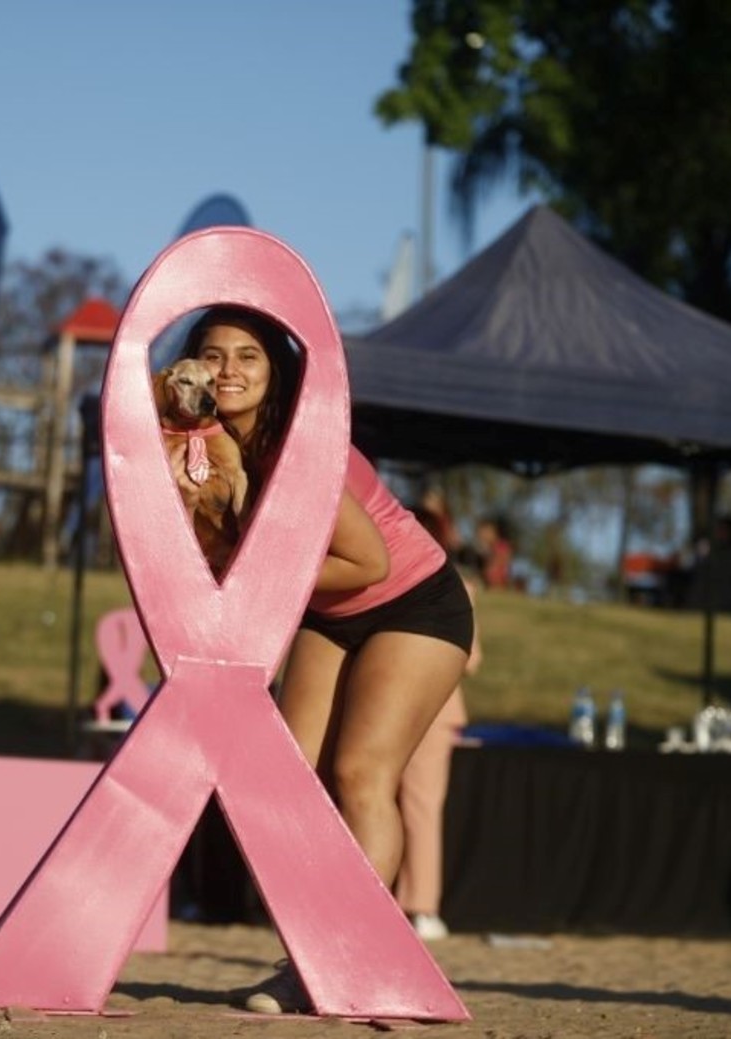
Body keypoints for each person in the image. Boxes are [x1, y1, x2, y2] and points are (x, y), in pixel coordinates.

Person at [182, 306, 474, 1013]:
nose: (228, 369)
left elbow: (367, 562)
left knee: (360, 771)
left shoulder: (297, 447)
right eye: (213, 354)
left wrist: (255, 570)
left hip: (413, 602)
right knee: (283, 785)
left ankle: (362, 955)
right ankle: (305, 963)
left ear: (276, 369)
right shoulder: (205, 448)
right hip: (328, 612)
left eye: (247, 355)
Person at [396, 505, 482, 941]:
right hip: (399, 705)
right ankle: (402, 904)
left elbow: (470, 657)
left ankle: (422, 906)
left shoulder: (455, 587)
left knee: (418, 806)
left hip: (429, 708)